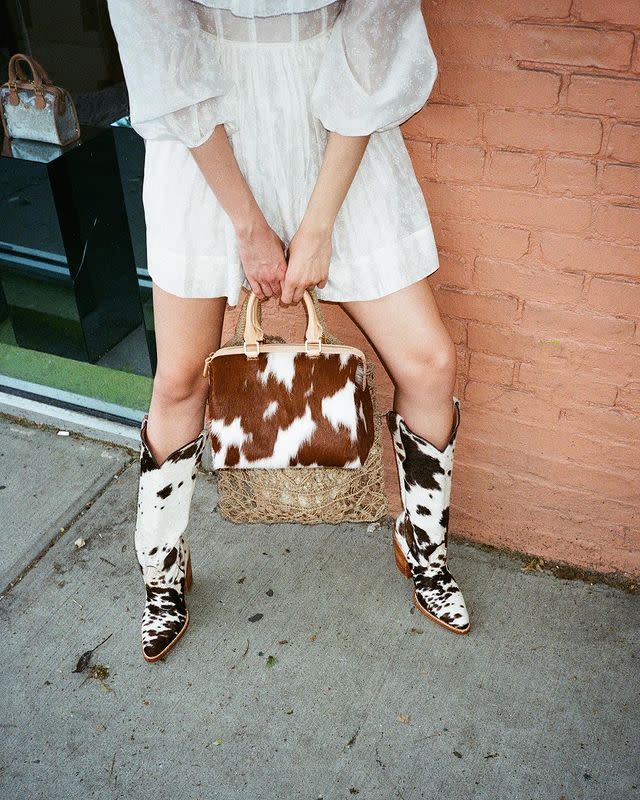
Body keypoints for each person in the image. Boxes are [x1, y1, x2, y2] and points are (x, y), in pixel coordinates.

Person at [106, 0, 470, 663]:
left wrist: (319, 223)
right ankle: (162, 568)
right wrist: (249, 229)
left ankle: (422, 543)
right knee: (182, 376)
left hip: (334, 134)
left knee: (430, 363)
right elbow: (165, 62)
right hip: (206, 139)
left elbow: (372, 45)